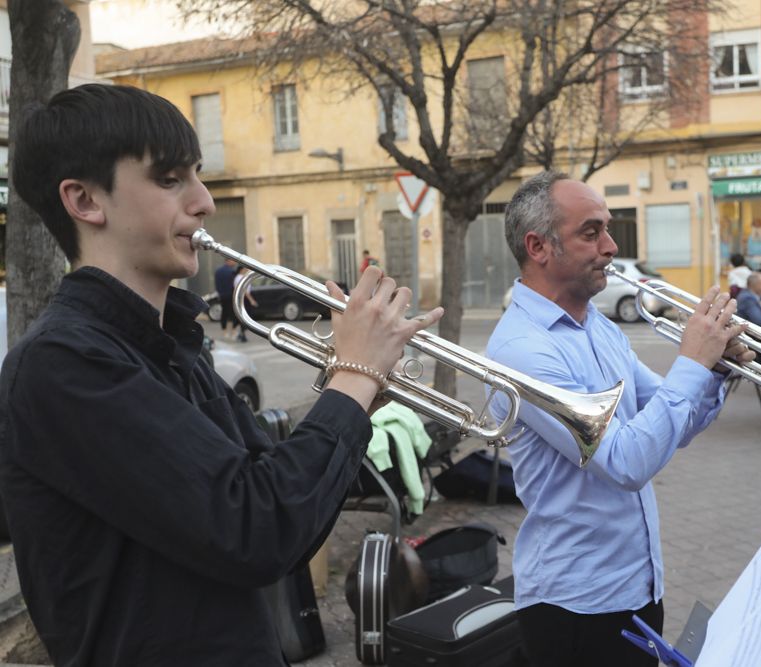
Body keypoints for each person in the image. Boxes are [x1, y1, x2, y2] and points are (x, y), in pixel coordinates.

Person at [0, 83, 442, 666]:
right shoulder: (65, 364)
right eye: (169, 179)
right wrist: (352, 379)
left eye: (198, 175)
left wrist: (358, 395)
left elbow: (284, 513)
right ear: (85, 200)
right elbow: (255, 532)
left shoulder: (170, 346)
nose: (204, 201)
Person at [486, 171, 754, 667]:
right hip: (575, 604)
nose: (610, 246)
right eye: (591, 232)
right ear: (538, 246)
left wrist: (714, 371)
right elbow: (627, 463)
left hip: (636, 586)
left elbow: (671, 424)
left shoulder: (599, 327)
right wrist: (692, 363)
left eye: (607, 229)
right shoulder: (522, 351)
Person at [214, 256, 238, 339]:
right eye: (233, 261)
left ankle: (224, 332)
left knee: (224, 313)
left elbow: (217, 285)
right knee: (233, 314)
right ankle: (233, 332)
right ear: (228, 261)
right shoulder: (232, 272)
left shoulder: (218, 271)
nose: (234, 263)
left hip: (222, 295)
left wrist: (220, 293)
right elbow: (234, 285)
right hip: (231, 296)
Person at [234, 265, 258, 343]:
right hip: (243, 298)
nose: (246, 270)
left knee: (245, 316)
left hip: (244, 298)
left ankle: (241, 333)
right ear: (241, 269)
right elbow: (244, 291)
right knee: (244, 316)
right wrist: (251, 300)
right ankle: (241, 334)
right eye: (245, 268)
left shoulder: (242, 276)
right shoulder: (239, 277)